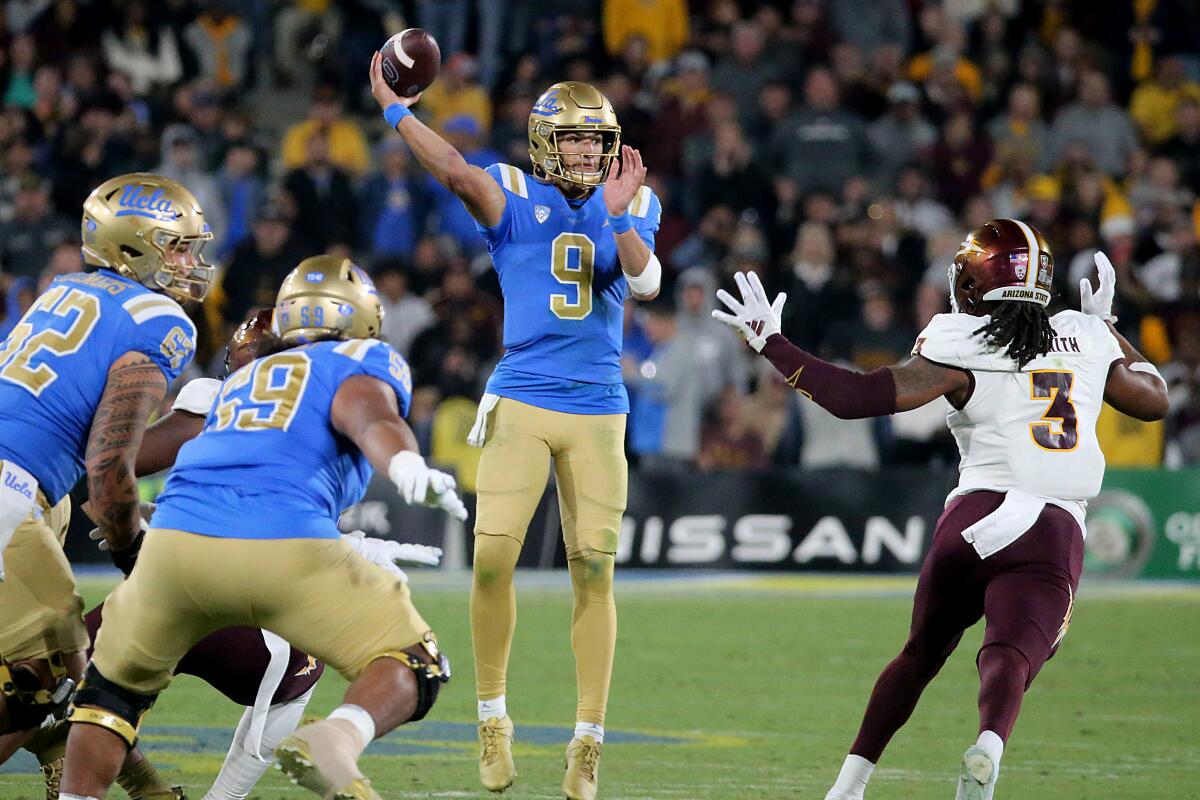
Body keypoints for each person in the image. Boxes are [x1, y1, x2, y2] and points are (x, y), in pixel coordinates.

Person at [711, 219, 1169, 800]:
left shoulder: (959, 339)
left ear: (973, 283)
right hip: (1052, 527)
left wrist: (771, 343)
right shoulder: (1087, 334)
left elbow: (854, 399)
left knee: (919, 654)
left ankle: (848, 787)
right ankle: (989, 746)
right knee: (1009, 654)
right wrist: (1107, 330)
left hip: (973, 519)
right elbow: (1154, 400)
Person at [58, 255, 468, 800]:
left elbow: (132, 463)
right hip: (285, 551)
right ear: (365, 317)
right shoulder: (357, 358)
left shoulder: (238, 381)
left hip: (174, 552)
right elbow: (368, 415)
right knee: (417, 662)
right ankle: (336, 740)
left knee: (107, 695)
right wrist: (406, 465)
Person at [370, 52, 663, 800]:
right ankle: (492, 719)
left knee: (594, 570)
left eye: (597, 140)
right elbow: (456, 170)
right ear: (543, 143)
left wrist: (624, 213)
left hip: (599, 406)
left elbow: (646, 278)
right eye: (573, 139)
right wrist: (399, 112)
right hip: (524, 396)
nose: (588, 153)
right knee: (493, 558)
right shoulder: (512, 194)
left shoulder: (631, 197)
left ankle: (588, 740)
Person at [0, 173, 211, 800]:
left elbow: (91, 454)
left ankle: (136, 787)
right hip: (10, 489)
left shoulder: (65, 289)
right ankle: (124, 786)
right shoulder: (160, 321)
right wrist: (132, 552)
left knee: (64, 670)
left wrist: (192, 425)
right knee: (47, 674)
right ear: (135, 247)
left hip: (27, 488)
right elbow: (107, 465)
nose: (190, 262)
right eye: (176, 246)